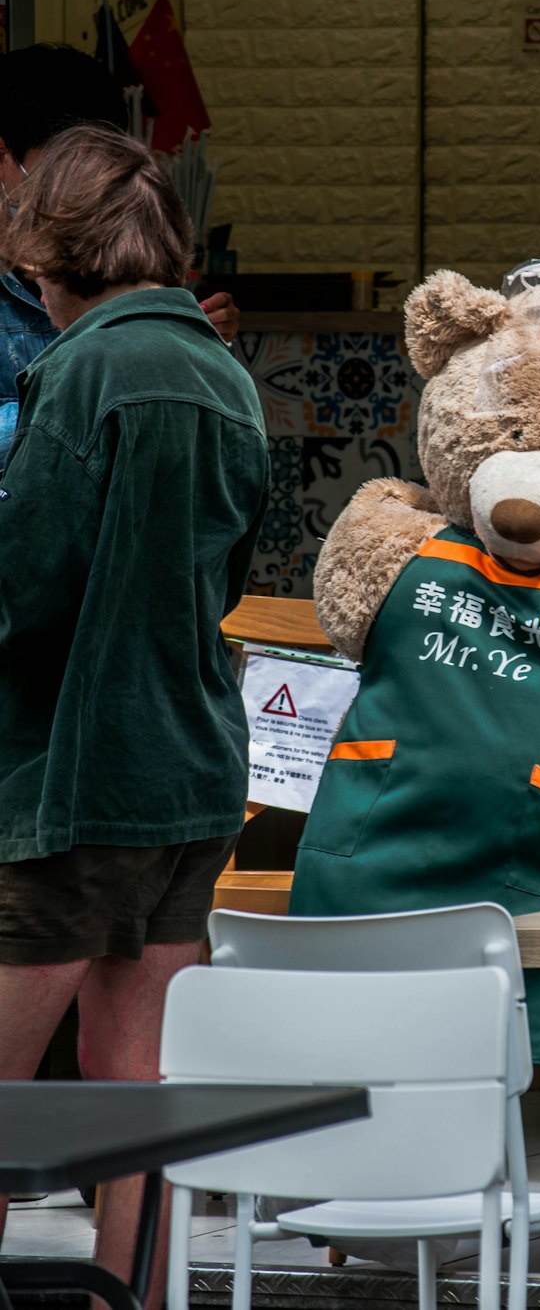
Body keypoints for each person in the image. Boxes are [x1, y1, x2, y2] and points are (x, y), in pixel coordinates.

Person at [0, 125, 270, 1306]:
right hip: (190, 770)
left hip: (67, 777)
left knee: (5, 1095)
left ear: (49, 251)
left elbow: (20, 591)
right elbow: (223, 580)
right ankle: (136, 1298)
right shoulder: (225, 374)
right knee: (137, 1086)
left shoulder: (80, 373)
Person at [0, 43, 239, 463]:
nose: (78, 193)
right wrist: (94, 407)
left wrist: (191, 343)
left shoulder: (123, 244)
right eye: (60, 171)